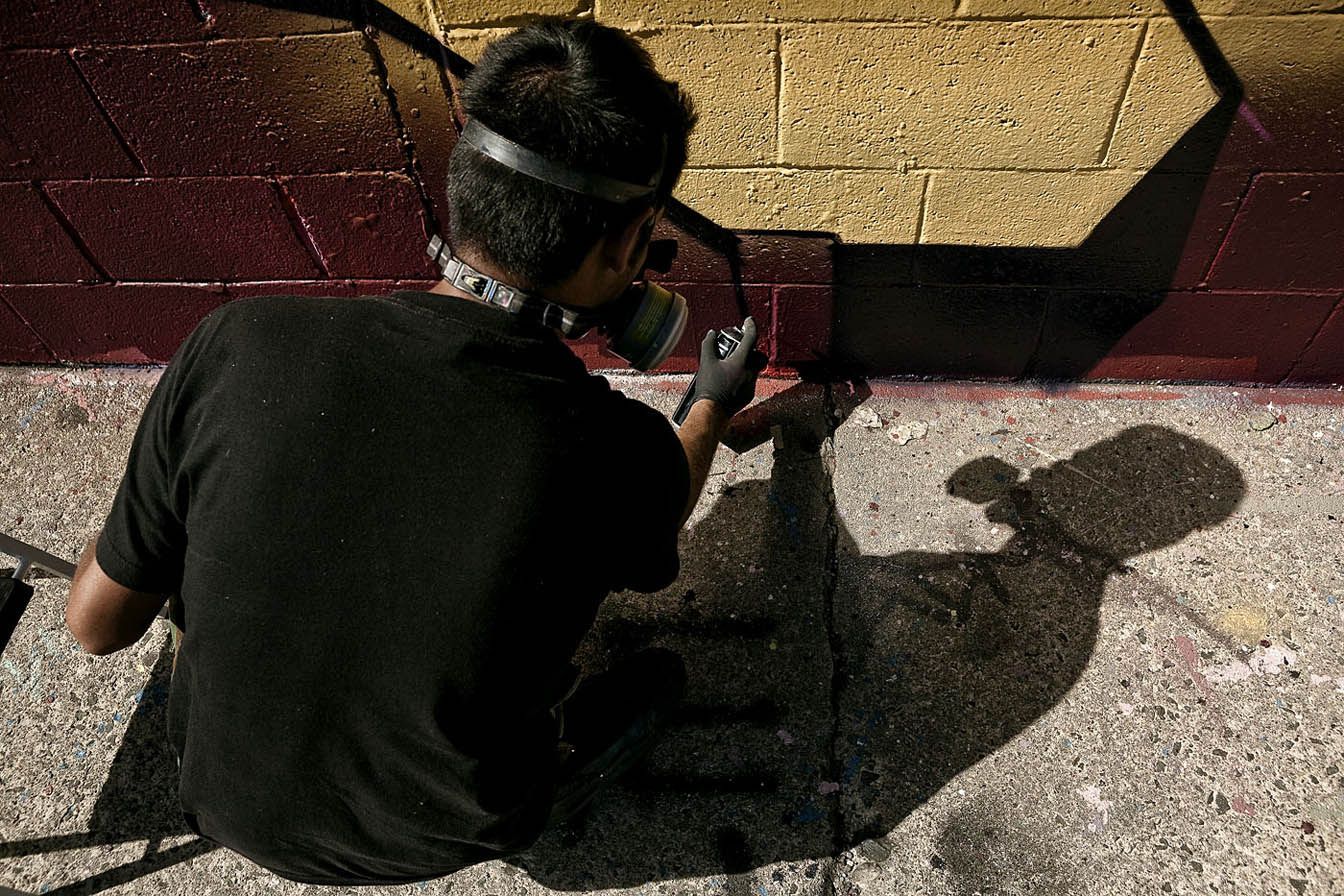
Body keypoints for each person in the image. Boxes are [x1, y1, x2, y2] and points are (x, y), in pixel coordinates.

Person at [62, 18, 764, 886]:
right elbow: (665, 500)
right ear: (625, 243)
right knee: (656, 681)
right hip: (436, 836)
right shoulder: (615, 447)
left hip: (220, 802)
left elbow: (94, 625)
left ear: (464, 184)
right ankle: (555, 784)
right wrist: (708, 403)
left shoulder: (238, 343)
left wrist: (170, 510)